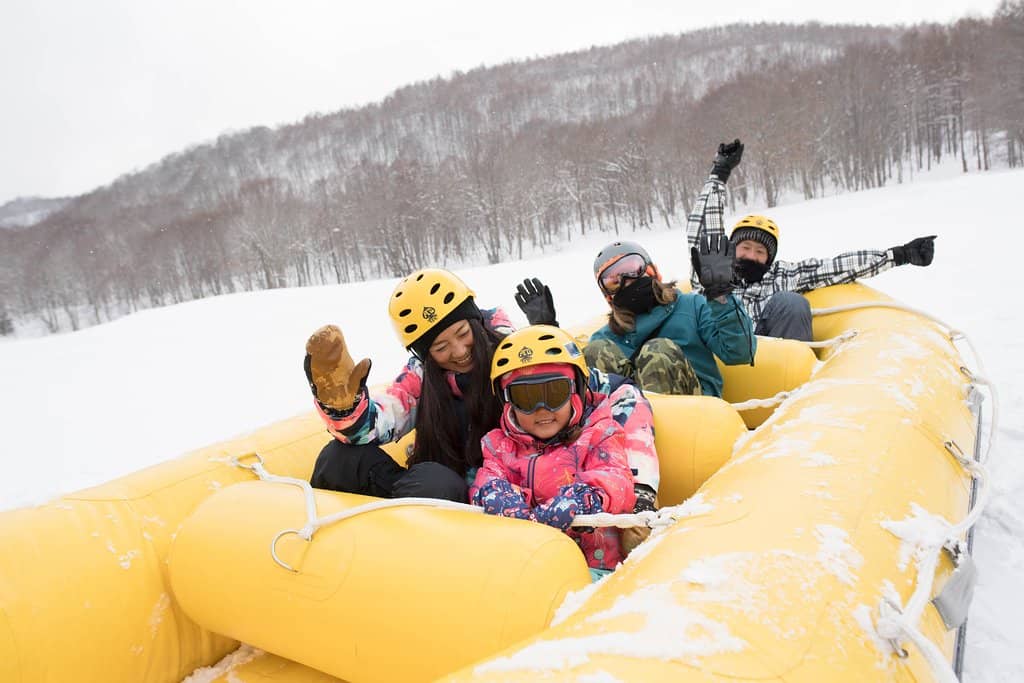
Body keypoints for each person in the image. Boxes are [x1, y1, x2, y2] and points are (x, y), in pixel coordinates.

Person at [687, 139, 938, 342]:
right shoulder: (712, 273)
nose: (752, 256)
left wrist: (898, 255)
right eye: (746, 248)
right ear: (732, 249)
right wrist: (719, 175)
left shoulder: (782, 275)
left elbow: (836, 267)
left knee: (791, 302)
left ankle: (796, 391)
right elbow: (701, 231)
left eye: (760, 251)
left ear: (769, 258)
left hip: (771, 360)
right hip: (721, 353)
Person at [303, 268, 513, 502]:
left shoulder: (511, 357)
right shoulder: (421, 377)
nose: (460, 351)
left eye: (463, 333)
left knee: (437, 483)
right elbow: (385, 417)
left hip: (496, 497)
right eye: (441, 348)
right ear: (425, 355)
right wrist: (345, 409)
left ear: (476, 321)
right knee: (339, 457)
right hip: (436, 492)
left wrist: (546, 325)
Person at [471, 325, 649, 580]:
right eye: (526, 397)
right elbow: (487, 477)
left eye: (554, 393)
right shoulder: (499, 446)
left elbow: (616, 477)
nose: (542, 409)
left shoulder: (600, 433)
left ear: (575, 391)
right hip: (531, 565)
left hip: (597, 567)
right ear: (508, 401)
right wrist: (493, 493)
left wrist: (586, 497)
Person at [578, 230, 756, 398]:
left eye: (632, 269)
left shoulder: (692, 306)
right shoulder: (607, 337)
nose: (626, 281)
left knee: (657, 351)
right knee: (595, 351)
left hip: (696, 410)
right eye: (613, 280)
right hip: (632, 420)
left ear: (652, 271)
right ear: (607, 295)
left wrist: (720, 296)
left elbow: (740, 353)